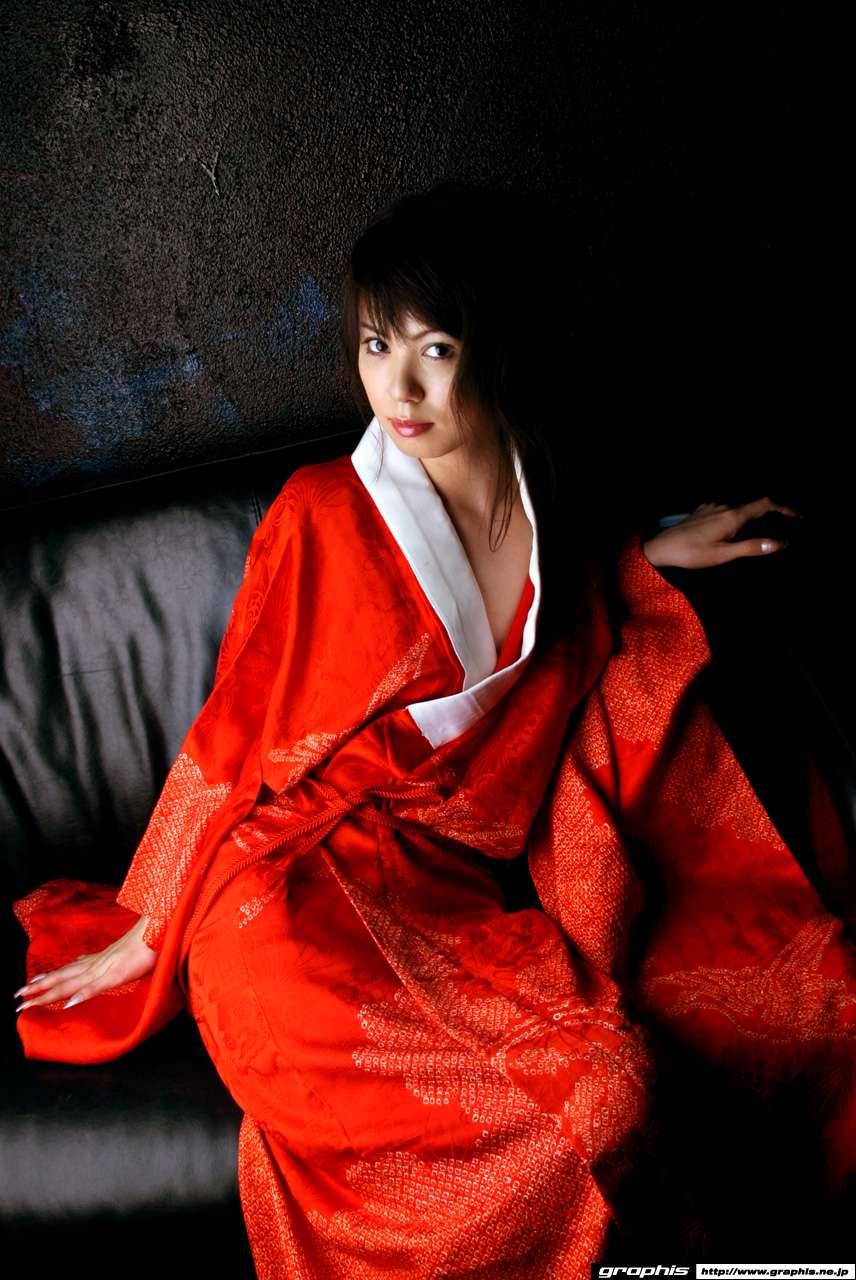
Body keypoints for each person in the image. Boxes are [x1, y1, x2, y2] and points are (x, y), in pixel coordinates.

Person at [11, 182, 855, 1274]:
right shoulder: (323, 514)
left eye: (435, 350)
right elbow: (227, 742)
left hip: (432, 892)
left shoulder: (543, 498)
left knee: (617, 1084)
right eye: (376, 345)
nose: (397, 388)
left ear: (496, 352)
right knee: (564, 1120)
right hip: (280, 894)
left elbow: (561, 622)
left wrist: (650, 554)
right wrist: (146, 924)